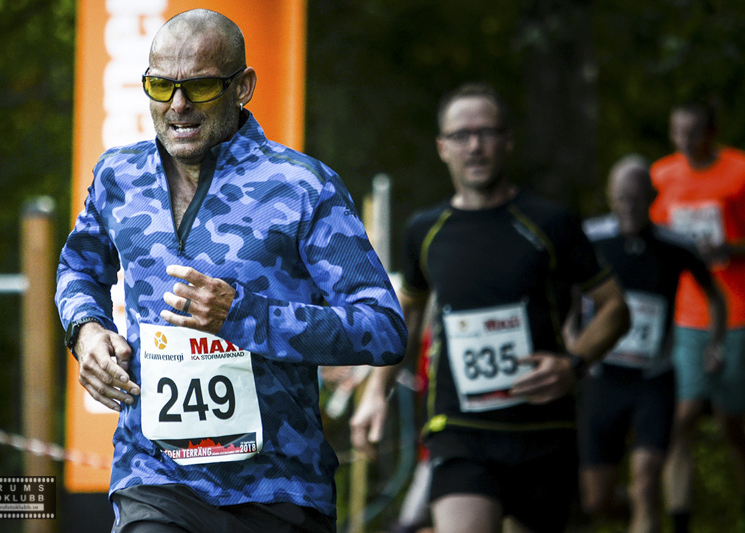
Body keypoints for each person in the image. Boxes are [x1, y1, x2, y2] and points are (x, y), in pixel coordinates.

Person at [54, 9, 407, 533]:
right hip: (155, 475)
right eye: (161, 85)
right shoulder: (118, 176)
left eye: (199, 87)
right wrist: (86, 330)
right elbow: (77, 267)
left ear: (242, 87)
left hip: (279, 484)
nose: (177, 105)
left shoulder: (303, 186)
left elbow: (383, 328)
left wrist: (243, 315)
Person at [349, 82, 630, 533]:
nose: (475, 146)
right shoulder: (426, 231)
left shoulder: (550, 223)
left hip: (542, 431)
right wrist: (374, 394)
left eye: (486, 133)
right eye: (461, 135)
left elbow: (615, 307)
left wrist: (575, 363)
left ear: (508, 140)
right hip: (459, 432)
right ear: (442, 147)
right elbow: (408, 315)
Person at [574, 155, 725, 533]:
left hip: (652, 380)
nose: (628, 207)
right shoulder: (590, 237)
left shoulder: (676, 245)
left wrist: (715, 343)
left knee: (645, 480)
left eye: (637, 198)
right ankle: (635, 516)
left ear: (652, 198)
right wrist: (572, 336)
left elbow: (715, 297)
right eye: (621, 198)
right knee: (596, 500)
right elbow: (566, 288)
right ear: (610, 196)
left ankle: (645, 513)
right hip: (602, 379)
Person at [650, 99, 745, 533]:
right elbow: (651, 235)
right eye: (677, 132)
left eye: (693, 132)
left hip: (737, 311)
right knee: (680, 419)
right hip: (686, 313)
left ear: (711, 133)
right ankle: (680, 522)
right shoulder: (661, 176)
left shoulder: (738, 172)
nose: (685, 141)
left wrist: (729, 249)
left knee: (732, 425)